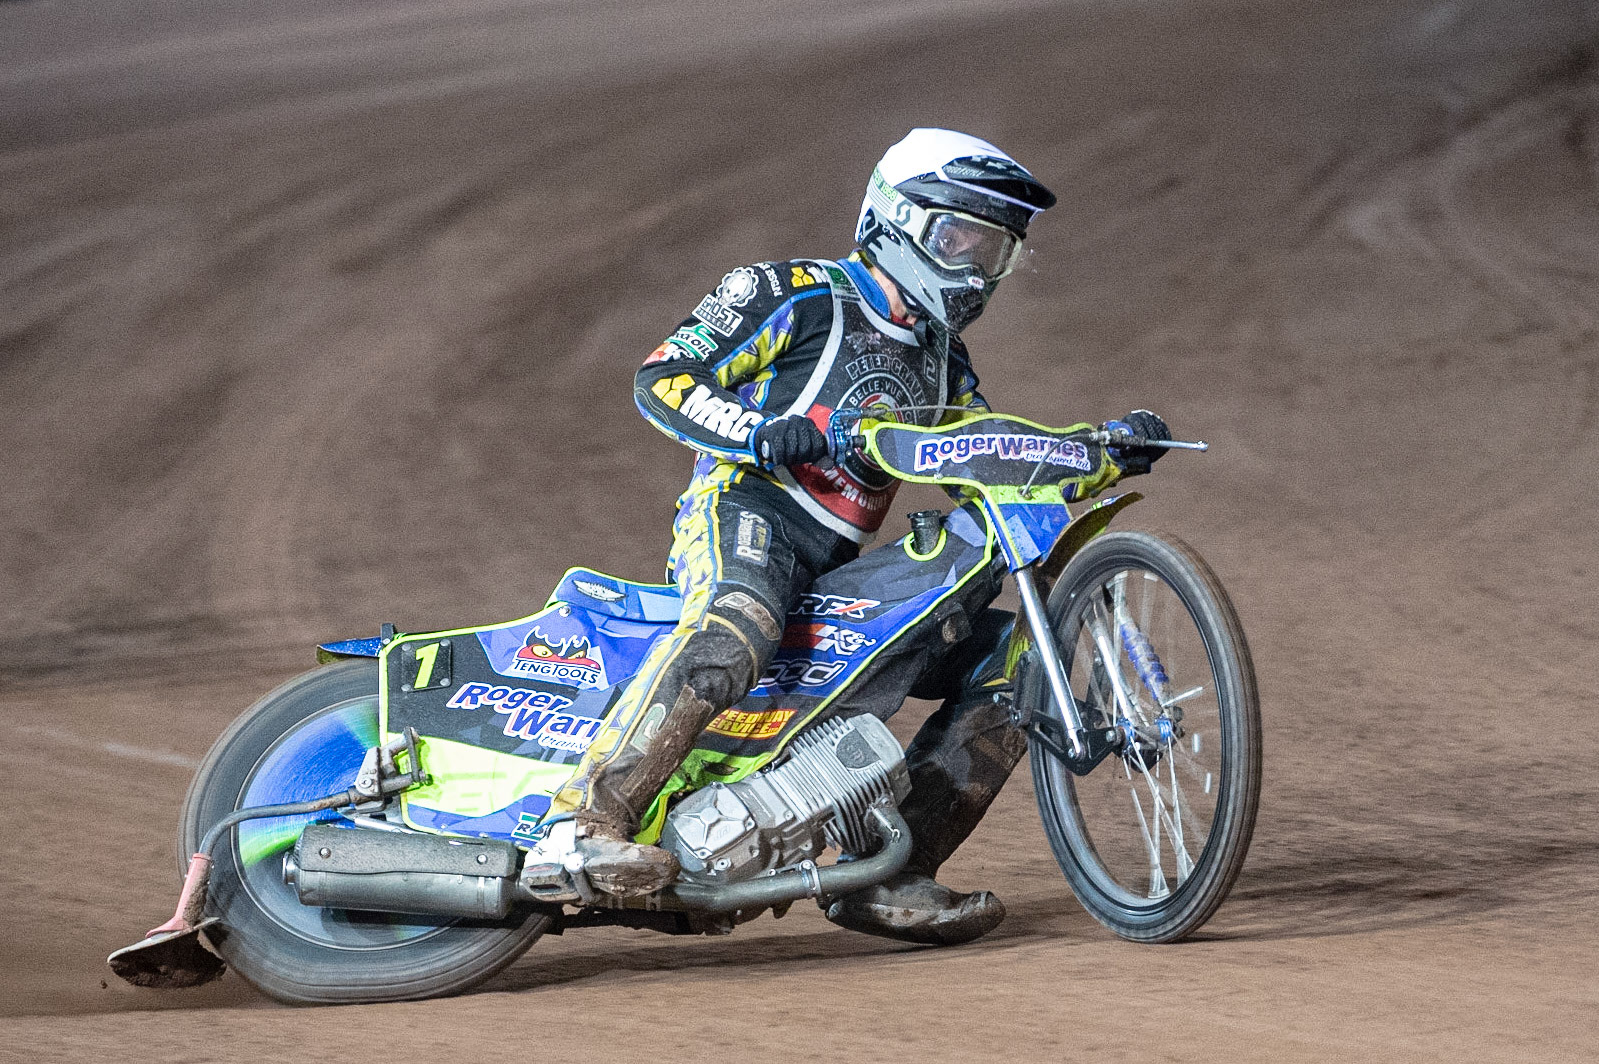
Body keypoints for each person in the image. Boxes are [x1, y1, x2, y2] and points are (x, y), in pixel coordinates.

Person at [545, 128, 1170, 944]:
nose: (974, 268)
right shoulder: (792, 292)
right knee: (740, 620)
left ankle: (887, 875)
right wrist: (758, 432)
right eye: (957, 239)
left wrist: (1096, 451)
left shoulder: (942, 359)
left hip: (835, 568)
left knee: (1018, 666)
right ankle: (585, 824)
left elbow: (980, 460)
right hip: (744, 511)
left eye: (993, 251)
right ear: (895, 218)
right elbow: (663, 377)